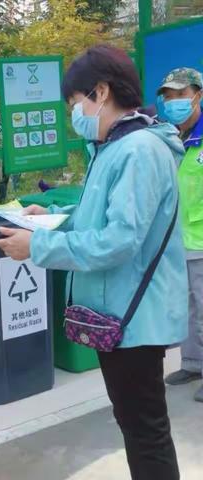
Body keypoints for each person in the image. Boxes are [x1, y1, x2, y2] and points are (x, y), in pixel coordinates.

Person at [0, 45, 187, 480]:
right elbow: (98, 218)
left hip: (136, 318)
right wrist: (52, 223)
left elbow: (119, 241)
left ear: (100, 93)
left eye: (73, 103)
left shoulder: (138, 150)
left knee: (145, 431)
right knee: (137, 425)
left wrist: (37, 249)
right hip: (120, 313)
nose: (72, 114)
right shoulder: (112, 146)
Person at [157, 67, 203, 402]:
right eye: (168, 97)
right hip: (179, 240)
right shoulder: (171, 138)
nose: (174, 102)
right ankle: (193, 362)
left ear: (198, 95)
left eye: (180, 95)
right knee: (186, 306)